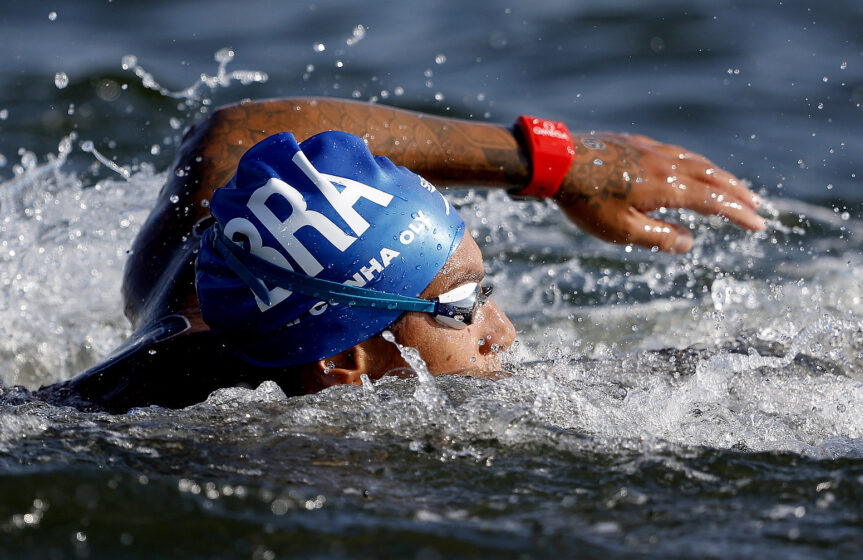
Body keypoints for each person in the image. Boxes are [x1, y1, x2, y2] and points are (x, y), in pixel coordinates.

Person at [34, 97, 766, 413]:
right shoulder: (178, 435)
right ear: (343, 366)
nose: (503, 329)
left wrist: (558, 162)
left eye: (485, 290)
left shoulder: (206, 271)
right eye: (460, 308)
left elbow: (231, 136)